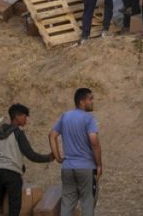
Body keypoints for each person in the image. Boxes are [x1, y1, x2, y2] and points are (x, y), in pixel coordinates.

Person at [0, 104, 54, 216]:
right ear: (17, 116)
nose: (26, 119)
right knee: (14, 207)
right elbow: (31, 155)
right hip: (13, 175)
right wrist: (48, 158)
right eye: (24, 116)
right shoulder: (18, 133)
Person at [49, 88, 102, 216]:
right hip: (86, 168)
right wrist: (99, 164)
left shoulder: (65, 116)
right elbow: (94, 142)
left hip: (67, 168)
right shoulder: (88, 118)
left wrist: (58, 157)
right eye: (90, 99)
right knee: (87, 203)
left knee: (67, 204)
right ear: (82, 101)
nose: (92, 102)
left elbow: (52, 135)